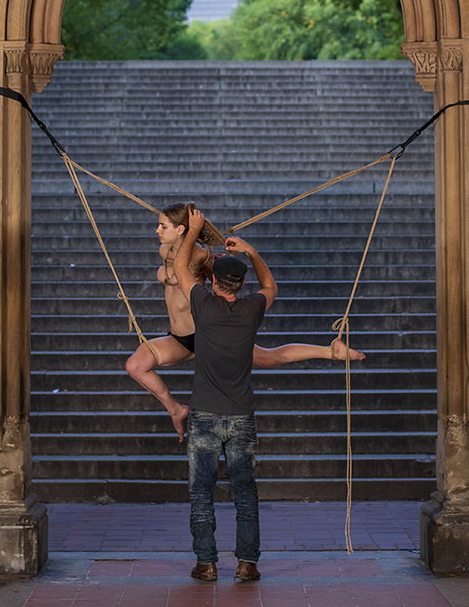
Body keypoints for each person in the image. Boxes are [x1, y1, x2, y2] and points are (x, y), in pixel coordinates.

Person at [124, 201, 364, 442]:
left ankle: (330, 351)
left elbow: (202, 274)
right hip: (181, 339)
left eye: (163, 226)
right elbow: (171, 272)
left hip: (208, 337)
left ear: (181, 230)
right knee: (135, 365)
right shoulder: (165, 250)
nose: (157, 231)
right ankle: (175, 409)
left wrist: (209, 256)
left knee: (269, 358)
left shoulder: (198, 254)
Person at [179, 205, 269, 583]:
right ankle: (247, 564)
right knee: (245, 493)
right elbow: (271, 286)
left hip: (203, 416)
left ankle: (207, 563)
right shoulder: (251, 310)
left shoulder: (203, 305)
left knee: (202, 493)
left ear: (214, 282)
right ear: (240, 285)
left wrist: (192, 231)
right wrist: (250, 252)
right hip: (242, 417)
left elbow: (182, 270)